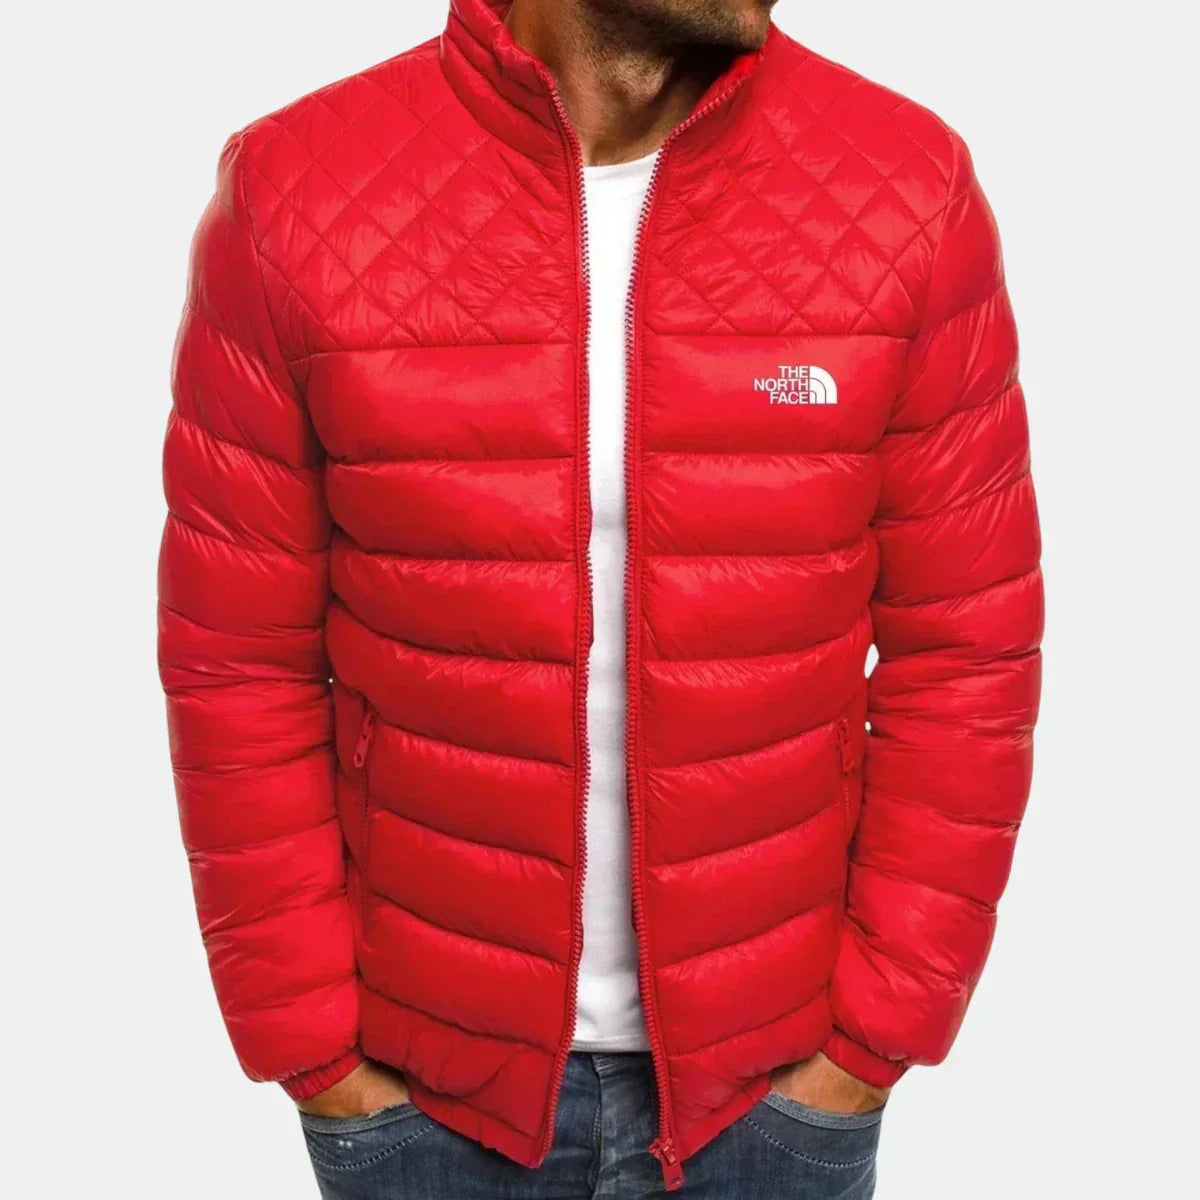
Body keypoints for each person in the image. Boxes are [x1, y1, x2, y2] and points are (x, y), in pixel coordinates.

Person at [157, 0, 1043, 1195]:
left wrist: (873, 1039)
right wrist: (314, 1050)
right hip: (423, 1098)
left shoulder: (904, 187)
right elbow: (236, 659)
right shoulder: (294, 192)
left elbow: (969, 647)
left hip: (773, 1098)